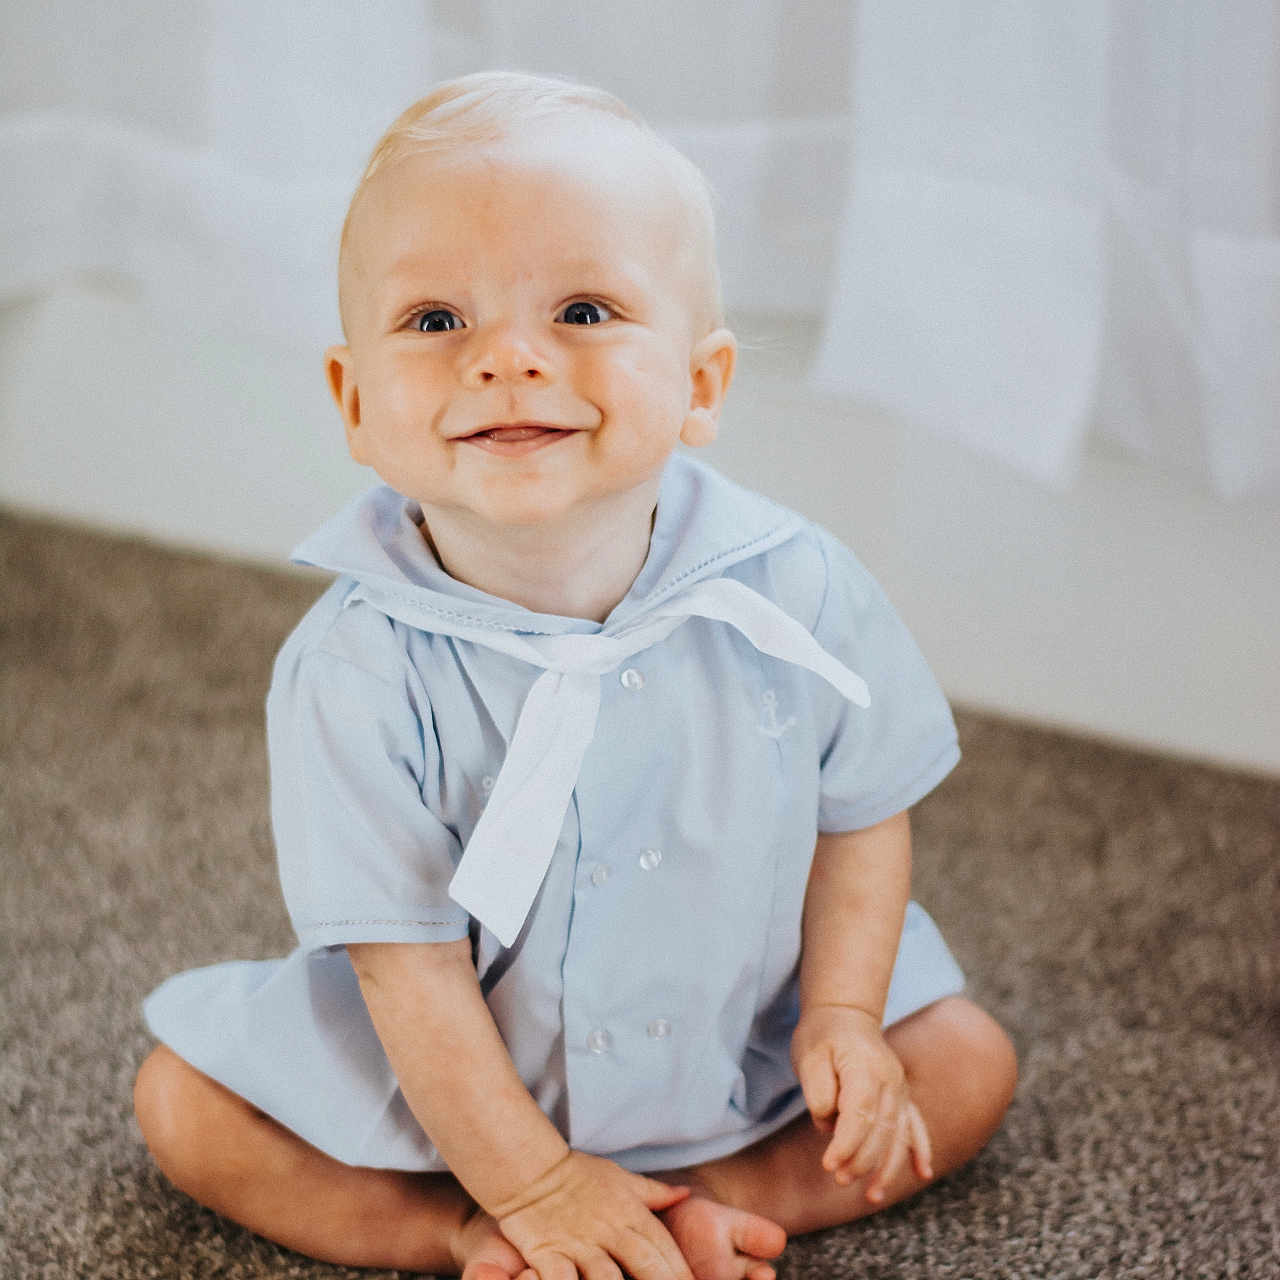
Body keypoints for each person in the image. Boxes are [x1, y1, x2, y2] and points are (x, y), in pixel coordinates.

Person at [133, 71, 1017, 1280]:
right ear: (353, 400)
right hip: (451, 1090)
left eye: (585, 310)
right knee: (184, 1102)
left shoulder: (796, 585)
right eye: (436, 320)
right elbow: (406, 963)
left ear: (700, 385)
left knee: (964, 1060)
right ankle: (475, 1228)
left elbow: (860, 813)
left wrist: (844, 1013)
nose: (505, 359)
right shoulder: (352, 668)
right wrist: (528, 1176)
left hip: (736, 1041)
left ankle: (707, 1198)